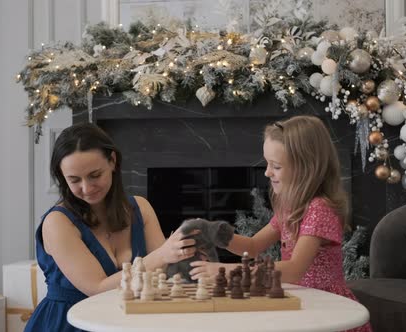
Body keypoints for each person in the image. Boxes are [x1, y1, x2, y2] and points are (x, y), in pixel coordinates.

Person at [188, 115, 372, 332]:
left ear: (306, 167)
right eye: (267, 164)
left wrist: (226, 271)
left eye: (276, 166)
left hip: (326, 309)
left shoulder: (320, 209)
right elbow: (254, 246)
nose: (267, 172)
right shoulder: (291, 207)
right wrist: (214, 233)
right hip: (301, 301)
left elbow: (294, 270)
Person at [25, 123, 196, 332]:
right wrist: (163, 255)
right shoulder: (58, 222)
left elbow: (162, 272)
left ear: (113, 161)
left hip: (127, 320)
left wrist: (185, 257)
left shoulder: (140, 209)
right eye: (74, 180)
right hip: (68, 324)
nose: (87, 188)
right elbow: (97, 289)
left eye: (95, 175)